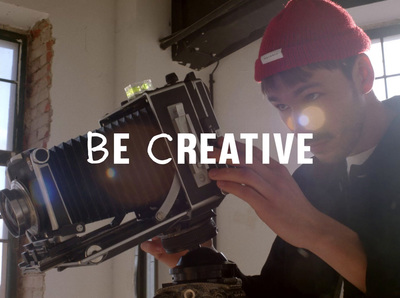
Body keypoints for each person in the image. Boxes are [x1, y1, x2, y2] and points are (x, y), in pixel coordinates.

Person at [141, 0, 400, 296]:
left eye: (311, 94)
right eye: (282, 106)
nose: (298, 124)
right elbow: (283, 291)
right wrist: (206, 272)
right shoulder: (312, 183)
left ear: (362, 74)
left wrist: (317, 231)